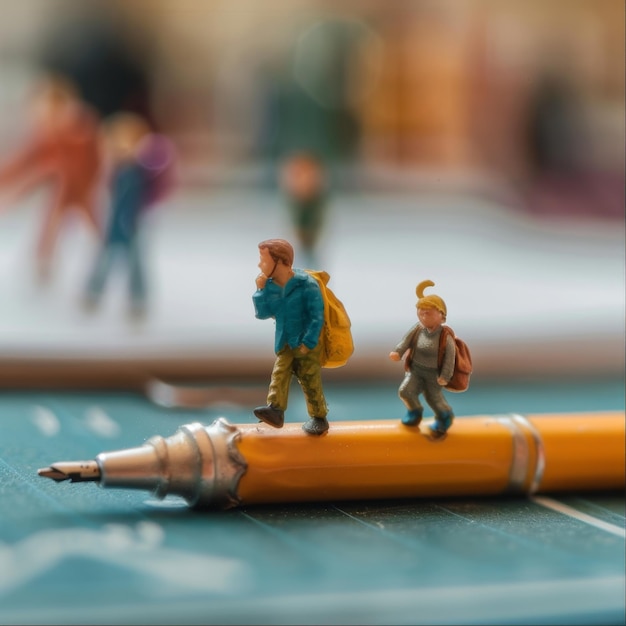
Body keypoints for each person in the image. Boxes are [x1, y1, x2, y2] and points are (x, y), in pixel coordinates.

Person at [0, 74, 102, 281]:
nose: (41, 116)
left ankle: (106, 254)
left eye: (47, 109)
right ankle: (44, 261)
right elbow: (25, 160)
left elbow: (94, 164)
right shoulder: (48, 134)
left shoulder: (80, 132)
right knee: (52, 222)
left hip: (79, 188)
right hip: (59, 187)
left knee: (93, 224)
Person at [83, 113, 174, 317]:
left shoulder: (141, 169)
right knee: (104, 261)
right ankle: (93, 293)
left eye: (125, 141)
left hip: (132, 225)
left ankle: (137, 300)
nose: (119, 147)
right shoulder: (117, 170)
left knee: (135, 264)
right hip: (115, 224)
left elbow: (160, 167)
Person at [252, 238, 329, 435]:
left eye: (264, 261)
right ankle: (276, 410)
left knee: (310, 380)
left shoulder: (307, 285)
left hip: (306, 343)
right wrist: (260, 291)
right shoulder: (270, 286)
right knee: (279, 374)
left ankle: (319, 417)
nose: (260, 265)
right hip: (285, 341)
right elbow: (262, 313)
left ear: (281, 261)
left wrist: (308, 343)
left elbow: (316, 317)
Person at [389, 280, 456, 438]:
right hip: (416, 370)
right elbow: (405, 341)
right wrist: (398, 352)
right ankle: (415, 412)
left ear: (441, 315)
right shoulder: (418, 329)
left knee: (434, 399)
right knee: (406, 391)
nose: (424, 316)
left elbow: (450, 358)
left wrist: (445, 376)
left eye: (428, 313)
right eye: (421, 312)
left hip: (434, 375)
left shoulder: (445, 337)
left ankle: (445, 417)